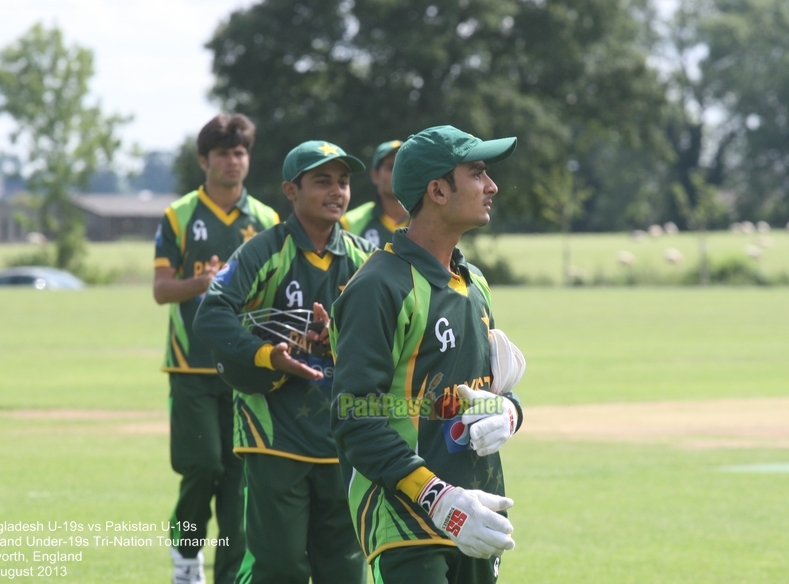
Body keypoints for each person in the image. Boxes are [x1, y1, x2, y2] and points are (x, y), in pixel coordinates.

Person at [329, 125, 527, 584]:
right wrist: (438, 499)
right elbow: (353, 418)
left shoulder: (473, 282)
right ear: (437, 190)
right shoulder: (379, 287)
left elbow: (494, 390)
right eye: (477, 172)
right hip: (406, 519)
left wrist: (510, 413)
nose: (492, 185)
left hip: (480, 510)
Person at [193, 140, 376, 584]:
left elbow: (386, 336)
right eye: (322, 181)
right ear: (290, 191)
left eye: (344, 182)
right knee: (278, 567)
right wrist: (267, 357)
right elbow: (211, 315)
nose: (337, 191)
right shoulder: (262, 250)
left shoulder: (362, 259)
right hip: (272, 434)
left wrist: (338, 338)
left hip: (343, 437)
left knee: (346, 569)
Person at [153, 113, 279, 584]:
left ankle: (230, 575)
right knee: (201, 468)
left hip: (245, 370)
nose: (234, 161)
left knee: (238, 479)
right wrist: (201, 283)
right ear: (204, 160)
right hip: (191, 369)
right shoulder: (179, 215)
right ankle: (187, 560)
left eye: (241, 152)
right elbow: (162, 290)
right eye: (224, 153)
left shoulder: (267, 220)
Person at [340, 139, 409, 246]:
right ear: (375, 175)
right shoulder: (349, 222)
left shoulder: (428, 221)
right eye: (391, 167)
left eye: (404, 166)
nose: (398, 173)